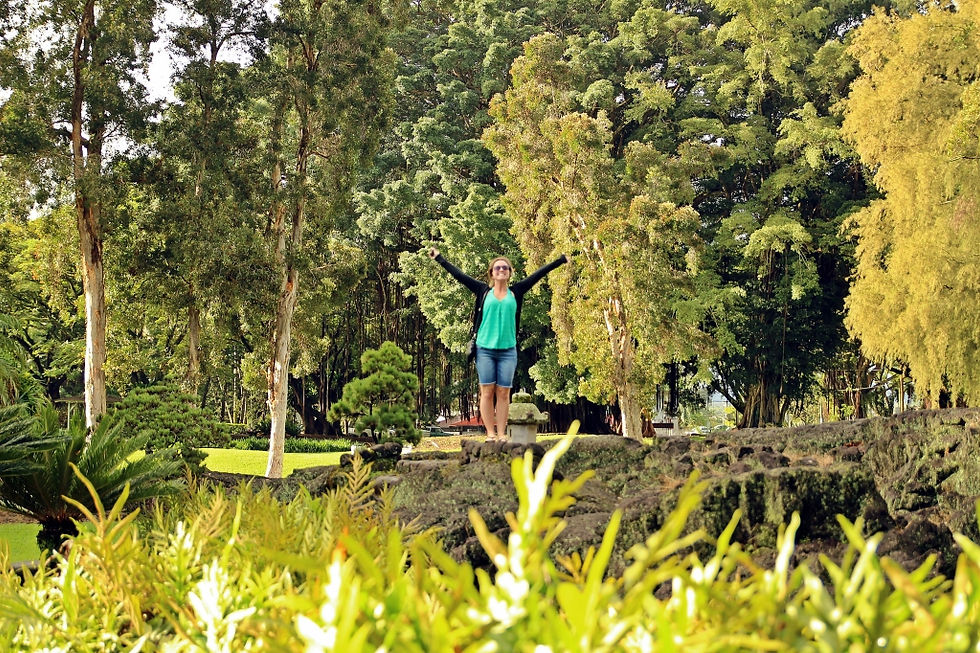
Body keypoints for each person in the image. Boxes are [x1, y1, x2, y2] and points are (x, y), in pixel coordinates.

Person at [429, 247, 568, 441]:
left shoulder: (516, 292)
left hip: (508, 350)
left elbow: (539, 274)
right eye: (497, 268)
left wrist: (560, 260)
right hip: (484, 349)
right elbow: (459, 275)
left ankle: (502, 434)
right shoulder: (483, 291)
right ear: (492, 273)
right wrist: (439, 258)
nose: (501, 270)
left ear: (510, 273)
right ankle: (491, 434)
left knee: (503, 392)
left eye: (505, 268)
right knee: (487, 391)